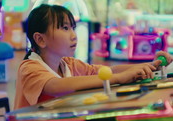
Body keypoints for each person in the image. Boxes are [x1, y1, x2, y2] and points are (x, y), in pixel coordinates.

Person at [14, 4, 173, 109]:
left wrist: (151, 65)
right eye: (64, 28)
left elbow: (108, 70)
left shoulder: (69, 64)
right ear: (40, 39)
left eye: (73, 28)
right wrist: (119, 78)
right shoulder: (29, 67)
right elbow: (56, 85)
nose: (74, 35)